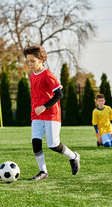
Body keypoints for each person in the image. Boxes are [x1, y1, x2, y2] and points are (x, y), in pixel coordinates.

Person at [23, 45, 80, 181]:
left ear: (41, 60)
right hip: (36, 116)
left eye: (32, 61)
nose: (30, 64)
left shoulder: (48, 75)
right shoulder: (32, 76)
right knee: (35, 142)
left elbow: (59, 94)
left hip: (51, 114)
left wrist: (44, 106)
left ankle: (74, 157)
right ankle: (43, 171)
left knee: (53, 145)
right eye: (28, 61)